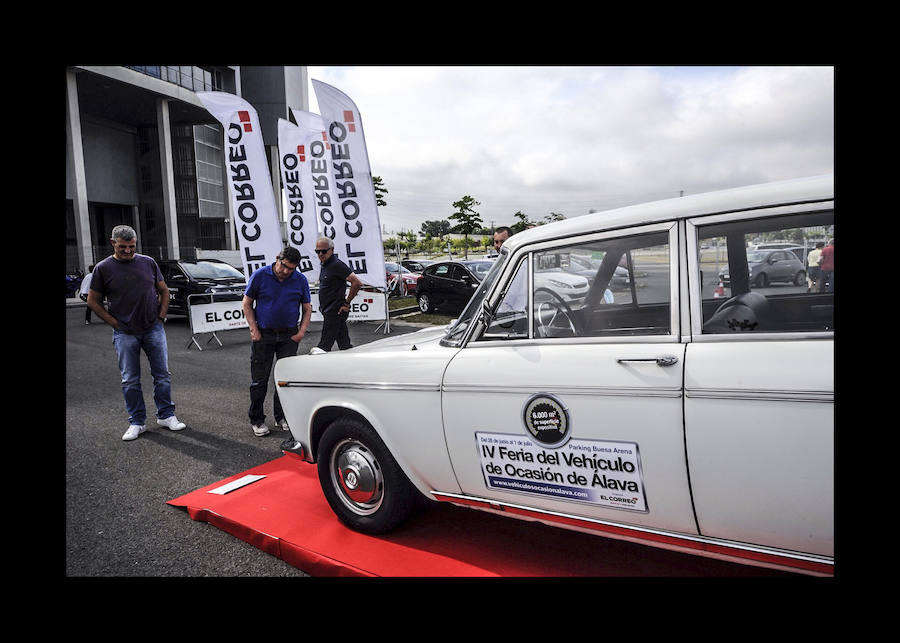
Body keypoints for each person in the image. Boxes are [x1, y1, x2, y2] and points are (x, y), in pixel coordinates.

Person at [86, 225, 186, 441]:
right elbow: (92, 301)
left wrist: (161, 316)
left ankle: (166, 416)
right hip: (125, 332)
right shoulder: (103, 268)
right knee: (130, 379)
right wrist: (114, 323)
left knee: (162, 375)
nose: (128, 251)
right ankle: (137, 422)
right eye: (123, 247)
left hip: (153, 328)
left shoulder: (148, 262)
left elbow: (164, 290)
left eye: (132, 246)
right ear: (113, 243)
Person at [242, 247, 312, 437]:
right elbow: (246, 303)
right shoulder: (260, 275)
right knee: (259, 381)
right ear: (277, 259)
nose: (286, 271)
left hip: (289, 336)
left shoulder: (300, 280)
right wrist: (253, 329)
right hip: (263, 335)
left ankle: (281, 417)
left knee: (284, 380)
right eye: (284, 266)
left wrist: (300, 333)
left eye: (291, 269)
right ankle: (256, 419)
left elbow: (307, 308)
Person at [314, 236, 363, 352]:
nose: (320, 254)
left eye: (324, 251)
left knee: (323, 347)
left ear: (332, 250)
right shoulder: (325, 264)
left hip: (335, 311)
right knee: (344, 345)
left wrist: (346, 303)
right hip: (329, 310)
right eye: (317, 251)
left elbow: (357, 283)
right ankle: (353, 365)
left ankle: (316, 368)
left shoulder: (336, 265)